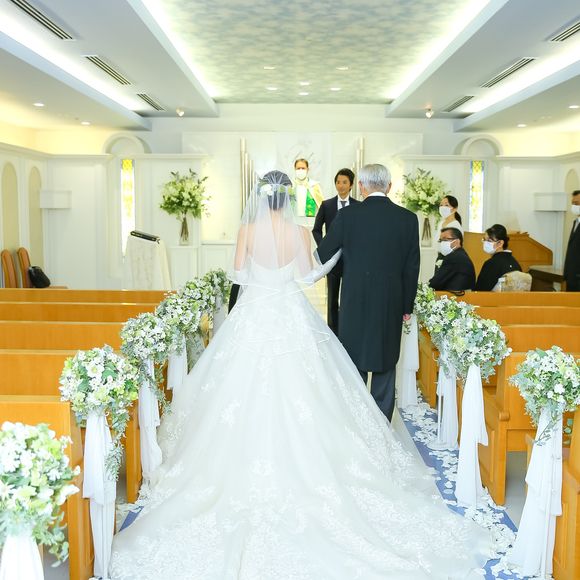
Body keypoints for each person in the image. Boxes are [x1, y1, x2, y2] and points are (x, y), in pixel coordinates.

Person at [110, 169, 494, 580]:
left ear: (261, 198)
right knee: (313, 388)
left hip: (254, 315)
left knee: (235, 388)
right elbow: (309, 274)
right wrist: (334, 260)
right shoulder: (298, 231)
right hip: (289, 312)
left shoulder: (246, 231)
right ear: (288, 199)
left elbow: (238, 275)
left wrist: (262, 279)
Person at [316, 164, 419, 423]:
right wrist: (406, 307)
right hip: (391, 302)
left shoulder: (348, 216)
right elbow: (412, 267)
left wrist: (347, 269)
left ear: (360, 186)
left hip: (354, 300)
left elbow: (324, 254)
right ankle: (382, 425)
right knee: (386, 361)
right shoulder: (408, 218)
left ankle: (357, 423)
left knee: (353, 359)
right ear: (389, 187)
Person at [312, 168, 360, 334]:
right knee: (332, 298)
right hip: (332, 262)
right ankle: (333, 331)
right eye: (338, 182)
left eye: (344, 182)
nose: (341, 185)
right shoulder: (326, 205)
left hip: (352, 260)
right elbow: (316, 230)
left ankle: (348, 329)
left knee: (349, 298)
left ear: (351, 185)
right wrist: (325, 248)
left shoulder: (358, 206)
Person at [475, 224, 522, 291]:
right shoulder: (515, 263)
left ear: (500, 243)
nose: (485, 243)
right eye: (484, 239)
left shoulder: (491, 264)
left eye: (489, 241)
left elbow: (480, 290)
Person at [429, 227, 476, 291]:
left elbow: (436, 283)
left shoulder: (454, 257)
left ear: (457, 241)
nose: (442, 243)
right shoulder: (461, 254)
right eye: (440, 240)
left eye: (445, 240)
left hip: (455, 295)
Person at [564, 189, 580, 291]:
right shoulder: (576, 222)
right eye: (572, 203)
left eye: (576, 203)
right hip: (572, 277)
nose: (574, 207)